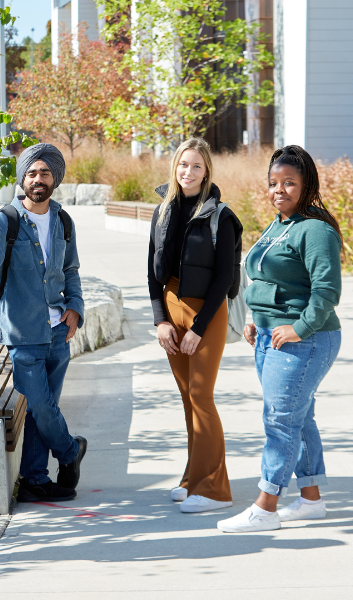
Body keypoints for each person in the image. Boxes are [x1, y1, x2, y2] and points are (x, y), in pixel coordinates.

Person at [218, 145, 342, 533]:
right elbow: (268, 280)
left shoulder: (315, 230)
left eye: (289, 183)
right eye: (273, 183)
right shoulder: (279, 225)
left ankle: (265, 507)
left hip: (304, 339)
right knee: (299, 417)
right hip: (270, 335)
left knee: (280, 420)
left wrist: (298, 328)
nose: (279, 190)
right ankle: (310, 500)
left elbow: (326, 292)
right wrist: (258, 318)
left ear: (307, 186)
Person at [0, 143, 87, 502]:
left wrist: (76, 307)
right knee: (38, 404)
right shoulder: (4, 221)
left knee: (43, 410)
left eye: (45, 173)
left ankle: (35, 479)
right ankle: (70, 451)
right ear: (22, 178)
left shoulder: (63, 220)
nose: (38, 179)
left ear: (55, 179)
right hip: (22, 332)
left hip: (58, 331)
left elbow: (70, 270)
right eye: (32, 173)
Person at [148, 137, 242, 513]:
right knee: (188, 399)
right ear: (175, 167)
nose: (188, 172)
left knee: (202, 397)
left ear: (207, 172)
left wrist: (199, 328)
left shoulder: (222, 216)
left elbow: (223, 280)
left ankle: (215, 490)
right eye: (183, 164)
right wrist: (160, 321)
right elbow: (153, 273)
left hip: (207, 312)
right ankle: (193, 477)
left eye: (197, 166)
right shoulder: (163, 210)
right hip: (171, 310)